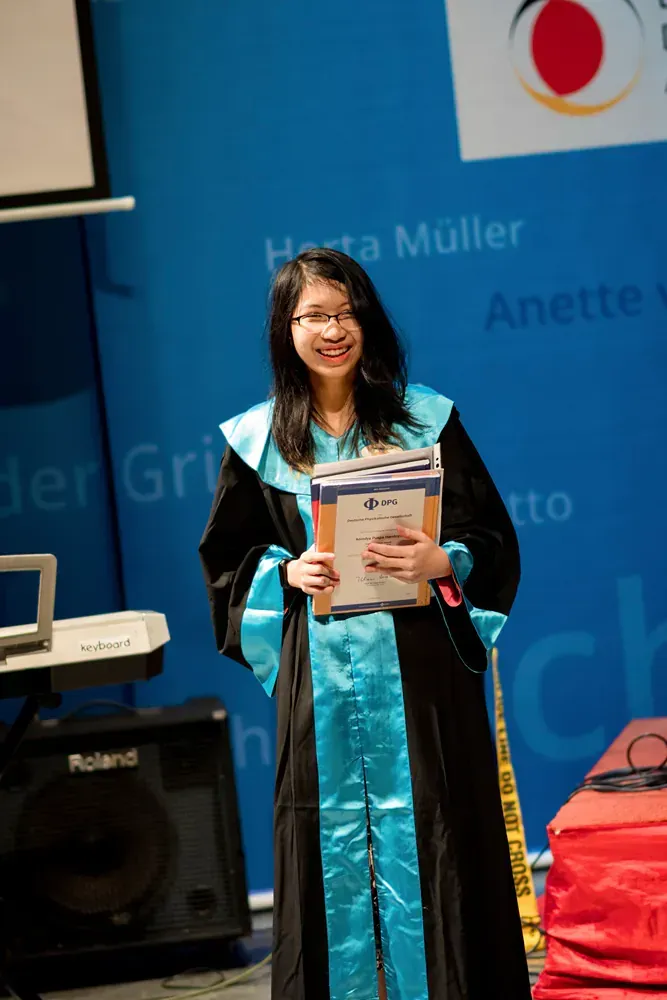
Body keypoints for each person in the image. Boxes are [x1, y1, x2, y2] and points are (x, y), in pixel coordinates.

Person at [199, 248, 530, 1000]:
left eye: (345, 312)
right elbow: (227, 565)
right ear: (286, 330)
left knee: (439, 841)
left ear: (367, 320)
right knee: (326, 851)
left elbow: (492, 541)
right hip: (321, 688)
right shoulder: (255, 444)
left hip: (420, 683)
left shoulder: (427, 421)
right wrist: (285, 572)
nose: (332, 329)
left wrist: (441, 560)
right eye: (313, 315)